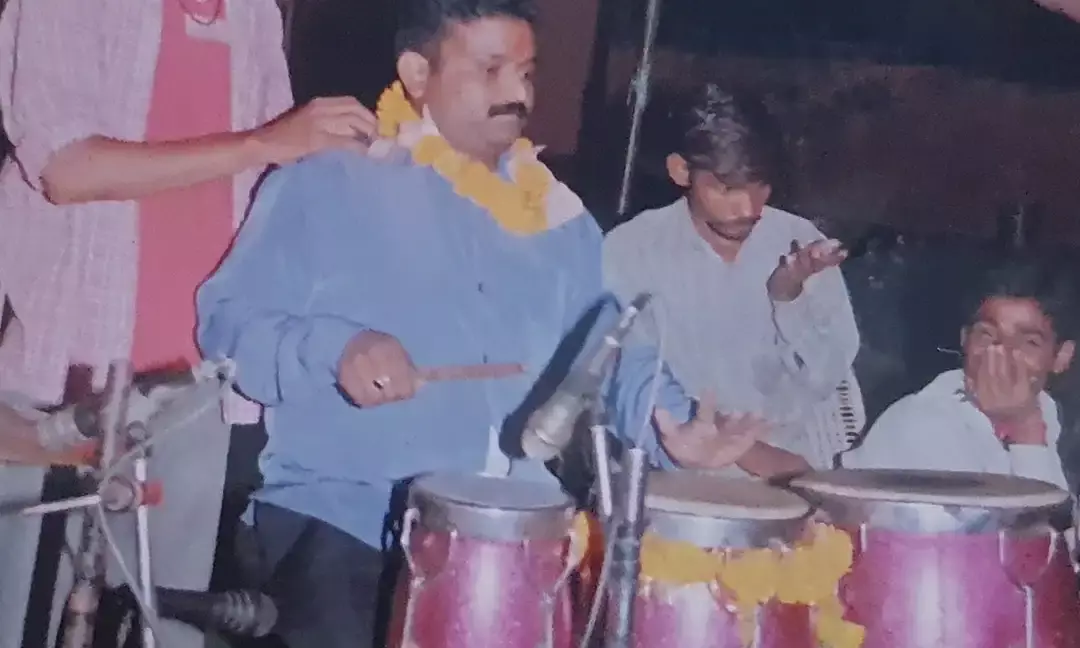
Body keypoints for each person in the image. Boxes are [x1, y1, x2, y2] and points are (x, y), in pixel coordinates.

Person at [195, 1, 778, 645]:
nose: (517, 94)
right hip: (348, 527)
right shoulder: (327, 182)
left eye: (526, 73)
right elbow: (228, 326)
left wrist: (675, 428)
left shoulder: (559, 219)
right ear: (418, 74)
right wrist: (337, 349)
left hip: (513, 544)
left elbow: (607, 354)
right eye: (491, 69)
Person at [0, 2, 377, 647]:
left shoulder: (254, 13)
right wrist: (266, 142)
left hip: (198, 389)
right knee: (36, 621)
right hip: (68, 385)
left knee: (168, 626)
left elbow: (277, 173)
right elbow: (66, 168)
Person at [603, 83, 863, 474]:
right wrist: (749, 455)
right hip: (676, 477)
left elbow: (827, 380)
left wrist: (789, 300)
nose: (749, 208)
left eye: (761, 186)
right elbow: (627, 386)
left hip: (792, 475)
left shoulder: (800, 243)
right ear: (681, 171)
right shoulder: (631, 250)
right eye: (727, 189)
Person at [843, 256, 1075, 491]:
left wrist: (1027, 427)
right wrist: (1026, 430)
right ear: (965, 340)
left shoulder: (1044, 408)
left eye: (1029, 343)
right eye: (987, 335)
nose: (1001, 353)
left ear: (1061, 357)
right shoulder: (926, 422)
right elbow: (1031, 512)